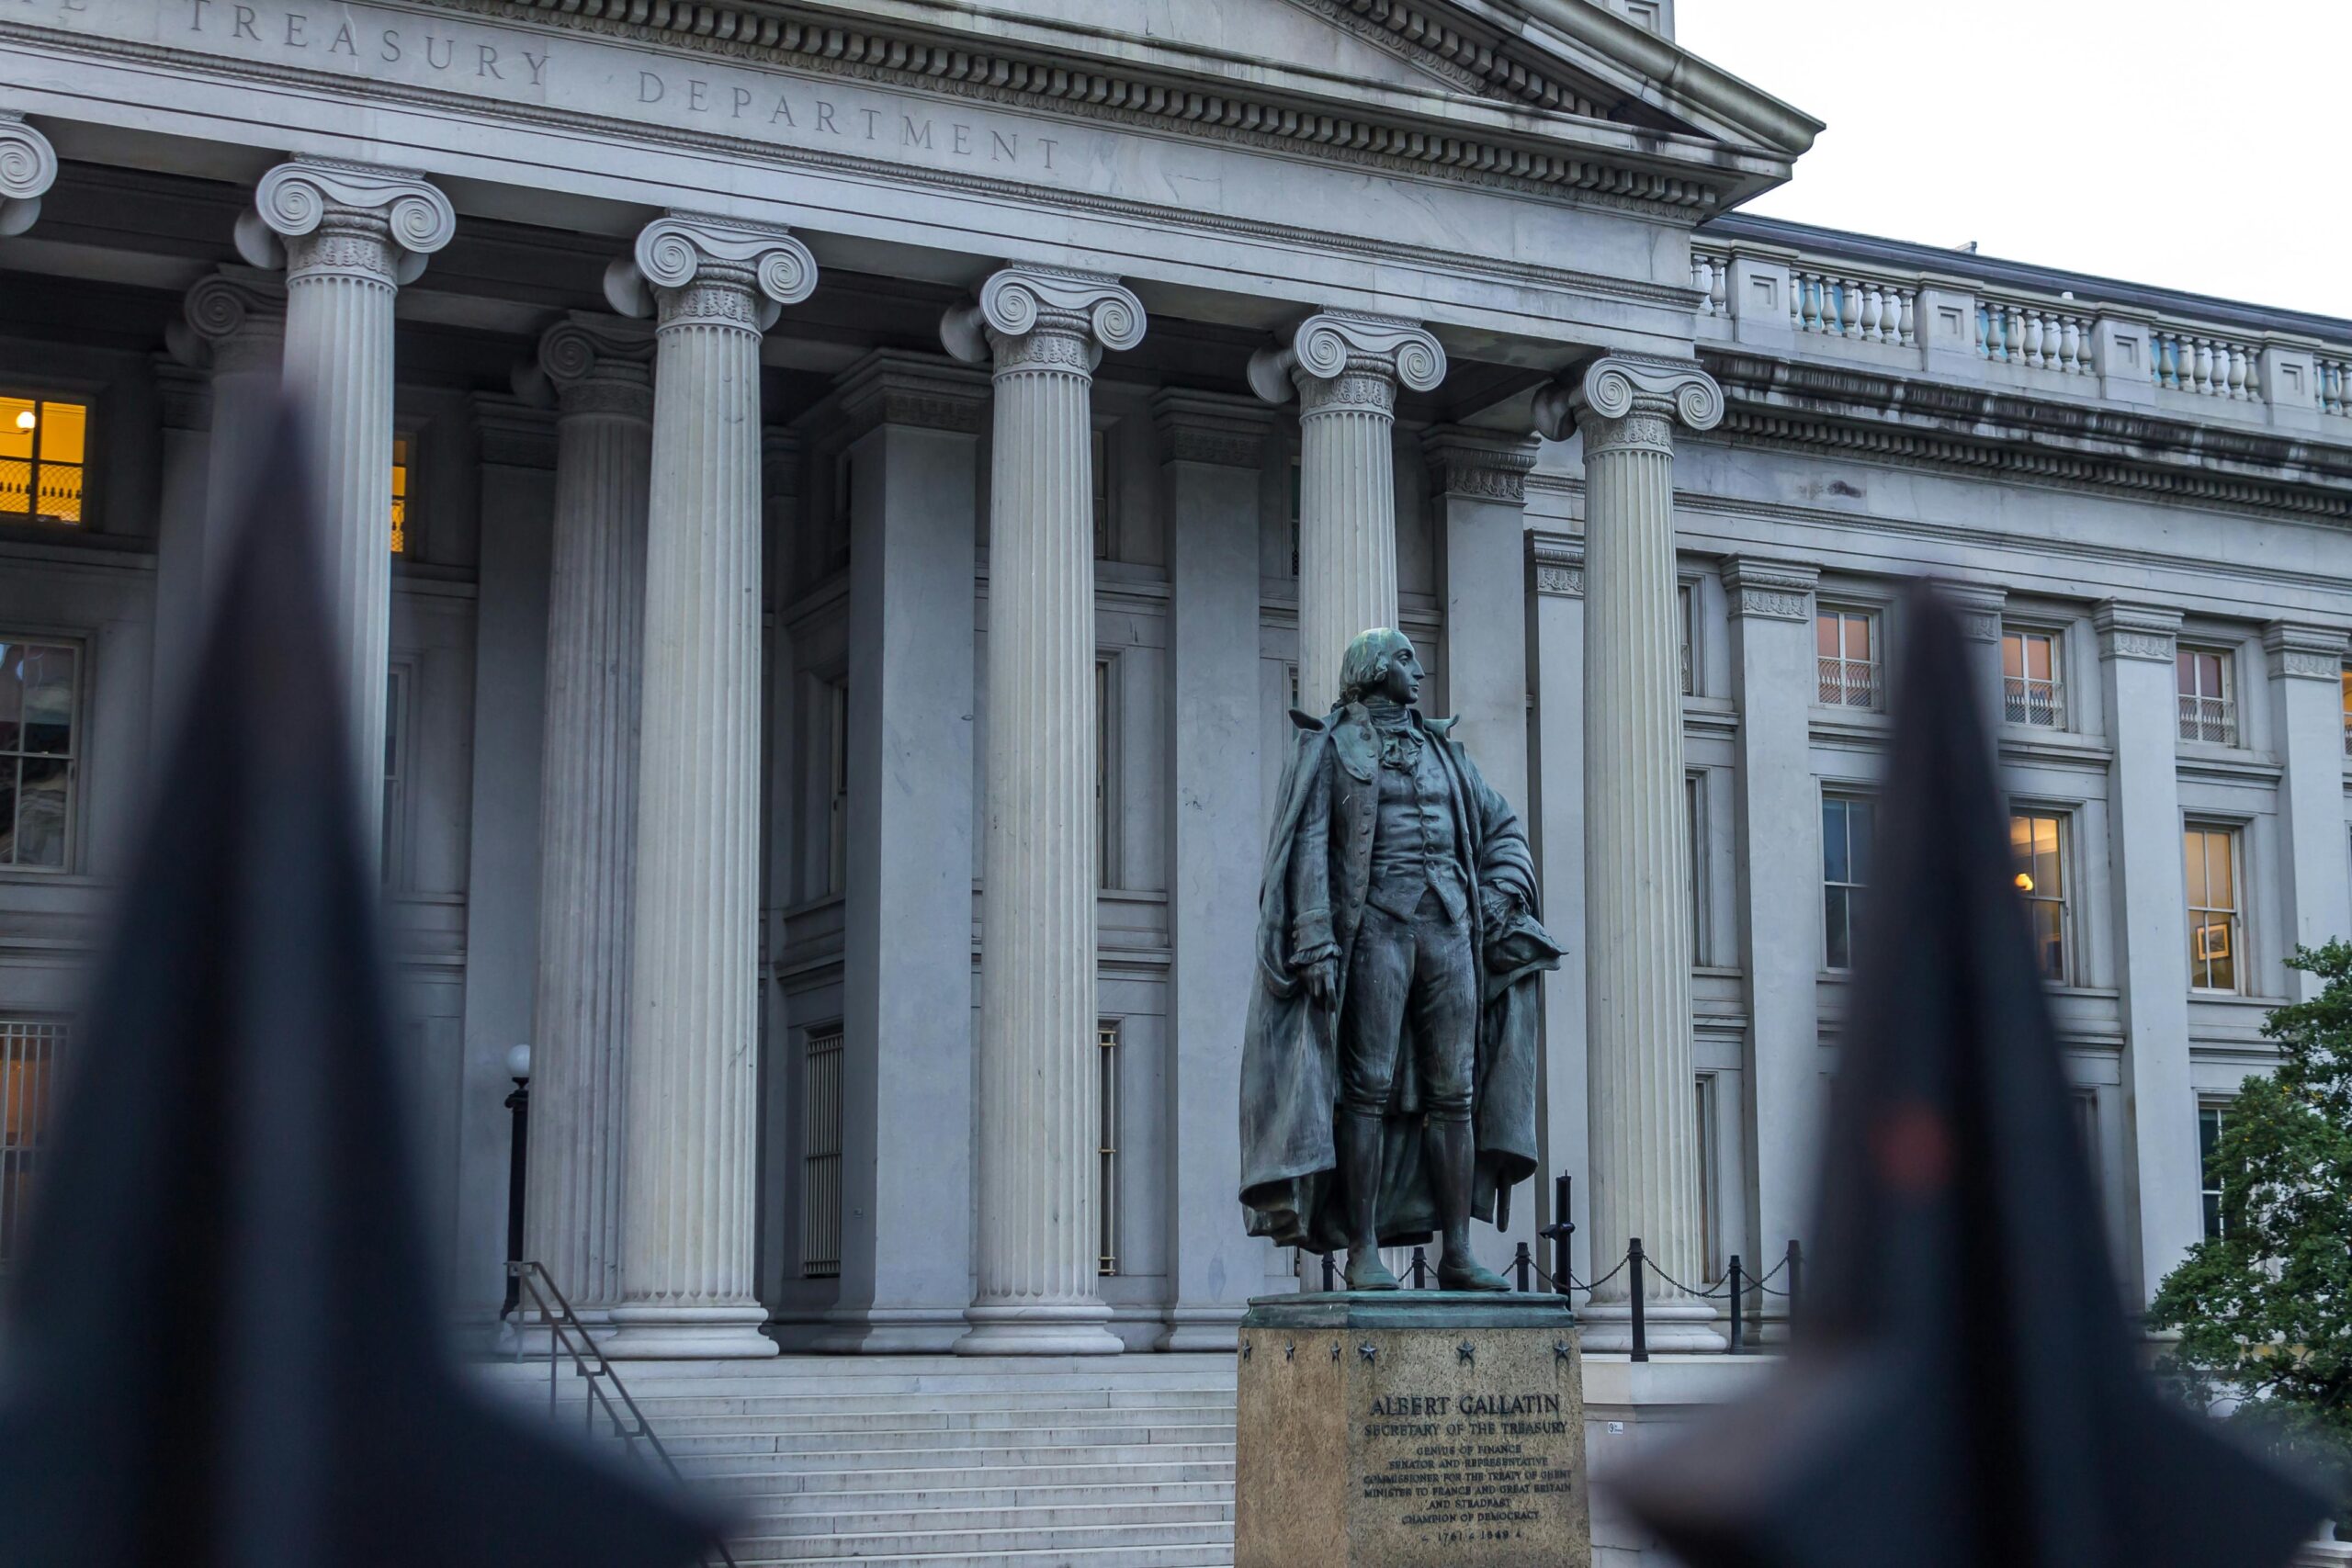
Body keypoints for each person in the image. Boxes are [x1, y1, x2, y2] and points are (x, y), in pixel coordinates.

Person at [1239, 627, 1561, 1292]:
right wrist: (1315, 937)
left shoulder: (1448, 753)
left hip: (1449, 931)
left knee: (1456, 1093)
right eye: (1406, 659)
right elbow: (1307, 842)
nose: (1418, 669)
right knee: (1367, 1090)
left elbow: (1502, 829)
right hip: (1376, 932)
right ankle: (1362, 1250)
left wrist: (1500, 895)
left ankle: (1459, 1252)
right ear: (1375, 668)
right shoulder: (1330, 746)